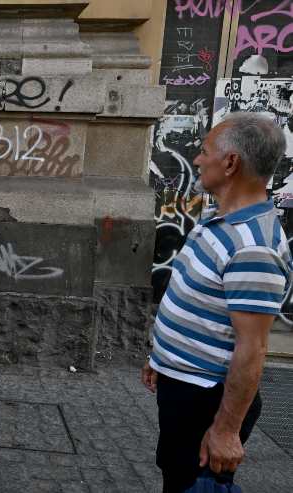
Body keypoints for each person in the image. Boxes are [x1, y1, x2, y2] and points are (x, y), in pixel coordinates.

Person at [141, 112, 291, 493]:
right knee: (176, 474)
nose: (196, 159)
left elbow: (252, 348)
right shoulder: (222, 220)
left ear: (230, 163)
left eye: (204, 151)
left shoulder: (253, 247)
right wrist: (163, 359)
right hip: (185, 385)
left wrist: (226, 429)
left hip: (205, 400)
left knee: (191, 484)